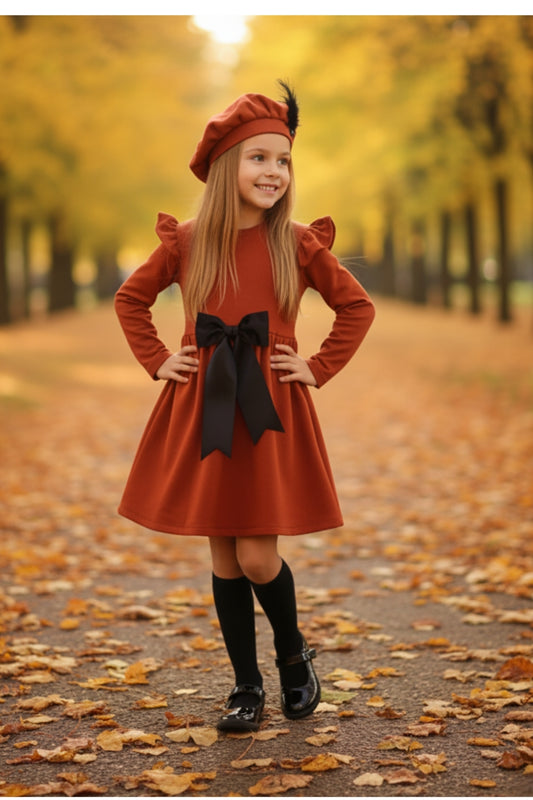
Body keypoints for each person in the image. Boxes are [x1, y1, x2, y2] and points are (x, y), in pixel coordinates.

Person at [114, 81, 375, 733]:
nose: (273, 172)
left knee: (258, 556)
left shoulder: (298, 244)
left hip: (267, 411)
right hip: (204, 405)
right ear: (227, 165)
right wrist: (157, 359)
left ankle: (292, 659)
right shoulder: (187, 240)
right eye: (258, 158)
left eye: (282, 160)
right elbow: (130, 299)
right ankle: (245, 686)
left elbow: (356, 307)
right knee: (224, 558)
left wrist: (314, 367)